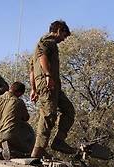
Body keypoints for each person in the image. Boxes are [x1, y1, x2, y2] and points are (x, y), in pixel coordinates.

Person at [29, 20, 75, 158]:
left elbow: (32, 69)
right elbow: (42, 57)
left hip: (53, 85)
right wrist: (48, 75)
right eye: (64, 36)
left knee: (68, 110)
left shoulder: (44, 44)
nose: (63, 39)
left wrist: (33, 89)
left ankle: (59, 141)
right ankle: (38, 151)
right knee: (49, 115)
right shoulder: (48, 40)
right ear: (59, 30)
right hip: (47, 82)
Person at [0, 82, 34, 158]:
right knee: (27, 128)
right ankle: (16, 152)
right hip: (10, 137)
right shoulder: (19, 102)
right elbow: (26, 118)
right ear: (19, 93)